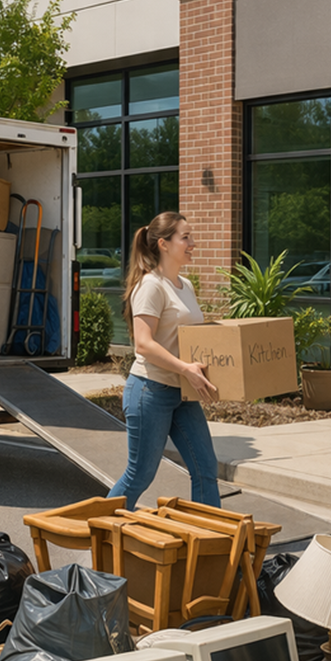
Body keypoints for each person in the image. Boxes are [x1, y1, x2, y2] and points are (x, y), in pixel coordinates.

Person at [107, 212, 221, 510]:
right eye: (186, 237)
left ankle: (213, 546)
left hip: (182, 391)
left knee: (206, 470)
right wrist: (186, 368)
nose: (193, 243)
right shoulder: (151, 286)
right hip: (150, 390)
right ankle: (100, 536)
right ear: (164, 244)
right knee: (140, 475)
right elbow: (143, 344)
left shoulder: (186, 285)